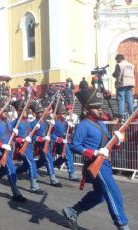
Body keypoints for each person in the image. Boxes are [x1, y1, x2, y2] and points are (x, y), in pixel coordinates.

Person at [63, 88, 129, 230]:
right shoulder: (83, 125)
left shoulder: (101, 124)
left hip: (104, 163)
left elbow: (107, 146)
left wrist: (116, 141)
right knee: (113, 192)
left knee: (100, 195)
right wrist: (94, 152)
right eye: (96, 107)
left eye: (100, 107)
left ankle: (73, 211)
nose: (100, 109)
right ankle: (122, 225)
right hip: (95, 164)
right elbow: (74, 146)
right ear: (87, 108)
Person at [0, 99, 27, 202]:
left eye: (6, 111)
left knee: (4, 170)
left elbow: (10, 133)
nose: (5, 113)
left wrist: (14, 132)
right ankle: (16, 193)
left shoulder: (7, 122)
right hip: (2, 150)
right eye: (3, 111)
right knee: (11, 169)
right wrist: (1, 145)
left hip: (9, 149)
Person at [113, 54, 135, 120]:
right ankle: (132, 114)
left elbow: (116, 74)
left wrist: (113, 74)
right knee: (129, 99)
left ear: (118, 59)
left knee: (121, 99)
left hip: (122, 84)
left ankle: (121, 116)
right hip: (130, 83)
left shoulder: (119, 65)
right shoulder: (131, 65)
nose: (116, 61)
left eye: (117, 60)